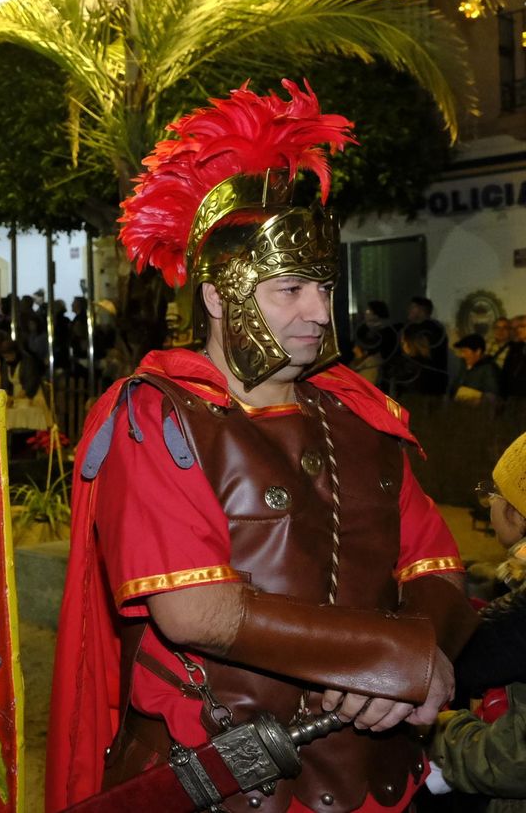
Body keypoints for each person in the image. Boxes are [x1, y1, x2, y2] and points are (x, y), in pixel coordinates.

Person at [48, 82, 475, 812]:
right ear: (219, 295)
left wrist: (409, 662)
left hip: (378, 779)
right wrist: (387, 657)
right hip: (225, 784)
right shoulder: (158, 416)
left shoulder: (360, 413)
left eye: (322, 287)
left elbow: (436, 562)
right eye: (289, 290)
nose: (317, 312)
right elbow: (195, 611)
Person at [426, 432, 526, 812]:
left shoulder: (516, 624)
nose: (487, 505)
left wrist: (438, 732)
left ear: (517, 512)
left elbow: (513, 762)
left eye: (492, 495)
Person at [454, 332, 502, 405]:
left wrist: (471, 396)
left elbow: (493, 397)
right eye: (461, 351)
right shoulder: (464, 364)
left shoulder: (489, 369)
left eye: (465, 351)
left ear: (478, 352)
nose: (462, 355)